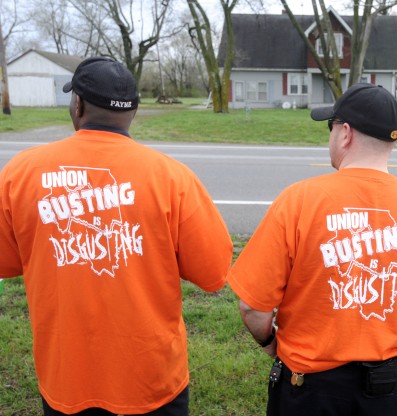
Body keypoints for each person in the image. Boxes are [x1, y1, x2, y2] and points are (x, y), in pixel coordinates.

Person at [0, 56, 233, 415]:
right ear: (134, 112)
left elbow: (8, 261)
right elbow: (214, 272)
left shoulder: (20, 173)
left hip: (67, 379)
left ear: (77, 105)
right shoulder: (172, 178)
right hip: (151, 379)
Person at [227, 83, 397, 416]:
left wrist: (269, 343)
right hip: (394, 393)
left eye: (330, 127)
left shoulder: (298, 201)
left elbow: (253, 307)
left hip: (311, 393)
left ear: (345, 133)